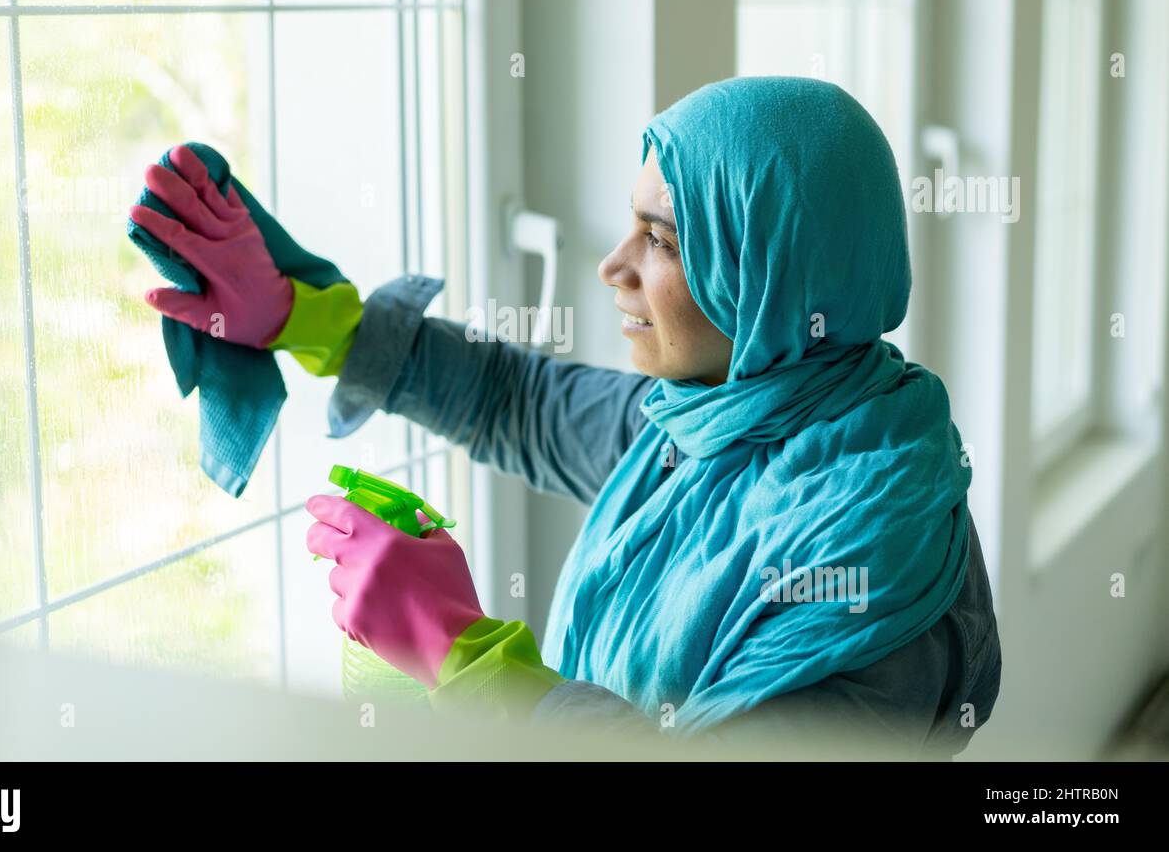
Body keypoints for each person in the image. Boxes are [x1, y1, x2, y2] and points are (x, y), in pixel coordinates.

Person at [131, 76, 1002, 759]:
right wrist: (301, 317)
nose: (613, 266)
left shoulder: (879, 576)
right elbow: (517, 400)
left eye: (662, 239)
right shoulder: (712, 430)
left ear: (770, 276)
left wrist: (464, 650)